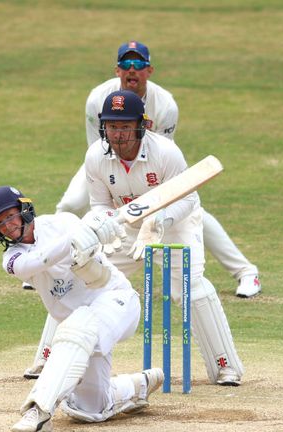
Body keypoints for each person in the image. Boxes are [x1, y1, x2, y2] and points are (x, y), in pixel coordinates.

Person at [23, 40, 259, 380]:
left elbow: (188, 198)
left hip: (174, 223)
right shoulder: (95, 158)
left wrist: (159, 220)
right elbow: (101, 204)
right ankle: (49, 357)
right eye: (111, 126)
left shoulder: (166, 153)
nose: (117, 134)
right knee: (80, 277)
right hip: (125, 227)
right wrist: (103, 226)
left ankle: (225, 367)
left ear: (142, 125)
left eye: (124, 126)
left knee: (189, 288)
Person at [54, 40, 261, 298]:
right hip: (106, 160)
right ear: (117, 70)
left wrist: (154, 211)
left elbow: (162, 161)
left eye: (138, 63)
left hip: (152, 166)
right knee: (72, 203)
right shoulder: (98, 98)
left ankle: (245, 271)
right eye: (126, 64)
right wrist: (115, 202)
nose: (132, 69)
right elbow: (97, 147)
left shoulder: (164, 105)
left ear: (149, 70)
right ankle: (53, 265)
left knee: (190, 212)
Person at [0, 185, 164, 432]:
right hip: (81, 333)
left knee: (79, 325)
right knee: (90, 409)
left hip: (116, 302)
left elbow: (92, 246)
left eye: (10, 216)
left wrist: (97, 228)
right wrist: (75, 239)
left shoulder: (63, 223)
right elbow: (38, 261)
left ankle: (39, 411)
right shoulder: (12, 260)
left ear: (24, 210)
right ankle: (137, 386)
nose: (7, 226)